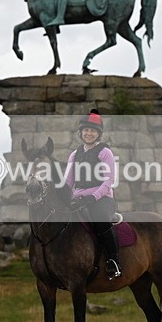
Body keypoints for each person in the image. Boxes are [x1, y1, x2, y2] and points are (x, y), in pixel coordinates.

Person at [65, 109, 122, 280]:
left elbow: (108, 181)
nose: (89, 133)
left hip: (101, 198)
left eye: (93, 131)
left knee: (100, 220)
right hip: (78, 199)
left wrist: (92, 198)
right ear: (81, 132)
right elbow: (68, 182)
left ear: (98, 134)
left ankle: (114, 260)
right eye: (86, 130)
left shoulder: (105, 152)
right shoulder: (74, 155)